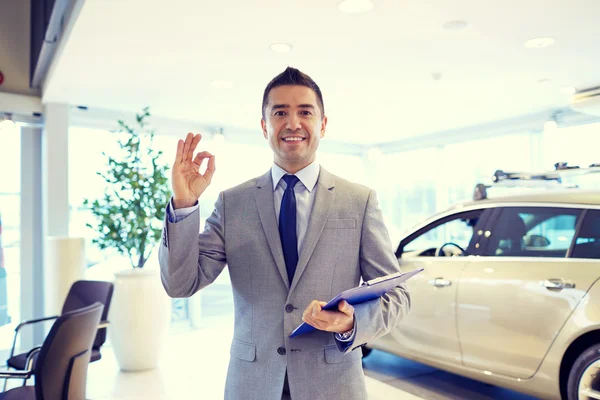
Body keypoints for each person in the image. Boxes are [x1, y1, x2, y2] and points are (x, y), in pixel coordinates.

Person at [159, 67, 411, 400]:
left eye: (305, 112)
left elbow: (397, 296)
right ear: (264, 126)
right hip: (253, 384)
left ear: (322, 124)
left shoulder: (358, 201)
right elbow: (180, 284)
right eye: (280, 113)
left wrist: (351, 324)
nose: (292, 123)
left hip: (333, 385)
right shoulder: (233, 203)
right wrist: (184, 202)